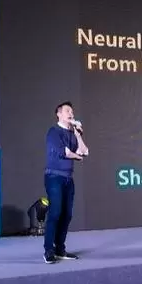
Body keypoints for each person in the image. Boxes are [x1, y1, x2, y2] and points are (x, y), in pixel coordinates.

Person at [43, 101, 89, 264]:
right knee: (55, 213)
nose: (71, 114)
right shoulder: (53, 132)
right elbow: (66, 153)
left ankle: (60, 249)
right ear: (59, 114)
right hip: (54, 177)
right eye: (68, 111)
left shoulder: (72, 133)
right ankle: (48, 250)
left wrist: (78, 135)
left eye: (72, 112)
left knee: (67, 215)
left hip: (68, 179)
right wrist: (77, 157)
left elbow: (84, 151)